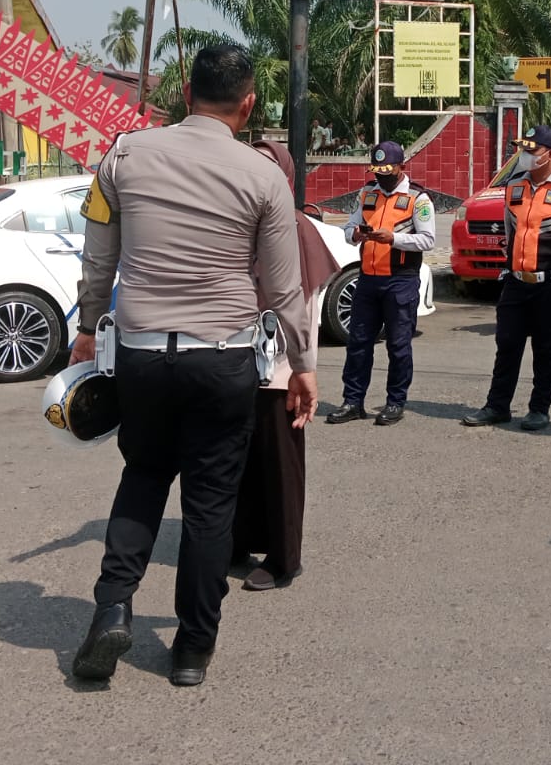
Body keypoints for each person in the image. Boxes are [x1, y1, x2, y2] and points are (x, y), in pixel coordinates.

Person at [68, 44, 315, 688]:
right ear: (248, 104)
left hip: (143, 355)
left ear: (185, 93)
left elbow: (98, 260)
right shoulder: (264, 175)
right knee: (210, 504)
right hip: (224, 357)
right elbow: (284, 288)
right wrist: (303, 364)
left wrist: (88, 328)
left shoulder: (123, 155)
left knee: (143, 476)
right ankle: (192, 649)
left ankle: (112, 608)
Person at [230, 140, 337, 592]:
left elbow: (304, 305)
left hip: (278, 369)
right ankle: (236, 542)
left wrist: (298, 366)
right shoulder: (240, 220)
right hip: (233, 361)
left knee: (279, 466)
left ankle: (283, 559)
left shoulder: (293, 226)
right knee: (236, 463)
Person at [463, 127, 551, 432]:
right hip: (516, 281)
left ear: (549, 154)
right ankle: (497, 406)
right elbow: (511, 230)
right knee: (507, 344)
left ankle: (539, 408)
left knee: (546, 347)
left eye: (531, 150)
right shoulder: (514, 188)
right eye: (522, 149)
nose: (524, 155)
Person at [327, 141, 434, 427]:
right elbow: (348, 228)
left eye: (387, 170)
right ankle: (353, 402)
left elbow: (427, 240)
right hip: (368, 279)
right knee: (358, 343)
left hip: (400, 280)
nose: (381, 176)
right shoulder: (367, 193)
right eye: (377, 170)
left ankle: (395, 402)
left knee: (398, 346)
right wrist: (355, 235)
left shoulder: (418, 198)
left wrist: (394, 239)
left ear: (401, 167)